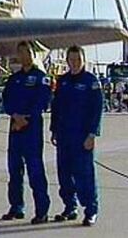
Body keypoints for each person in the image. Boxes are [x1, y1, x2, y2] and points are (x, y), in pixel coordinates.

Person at [50, 45, 103, 226]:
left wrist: (92, 134)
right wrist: (54, 130)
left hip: (82, 137)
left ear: (84, 61)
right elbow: (56, 107)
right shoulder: (62, 81)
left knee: (85, 175)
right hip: (64, 136)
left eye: (78, 60)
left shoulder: (91, 82)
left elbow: (97, 110)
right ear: (67, 61)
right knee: (64, 174)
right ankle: (69, 207)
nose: (74, 63)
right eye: (71, 60)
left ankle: (91, 210)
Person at [2, 41, 51, 224]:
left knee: (35, 171)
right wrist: (15, 115)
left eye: (27, 52)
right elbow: (6, 100)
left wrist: (25, 119)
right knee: (14, 170)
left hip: (32, 130)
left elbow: (43, 102)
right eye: (20, 52)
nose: (24, 56)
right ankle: (16, 207)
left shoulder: (41, 78)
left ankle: (42, 211)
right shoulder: (14, 79)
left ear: (33, 53)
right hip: (15, 129)